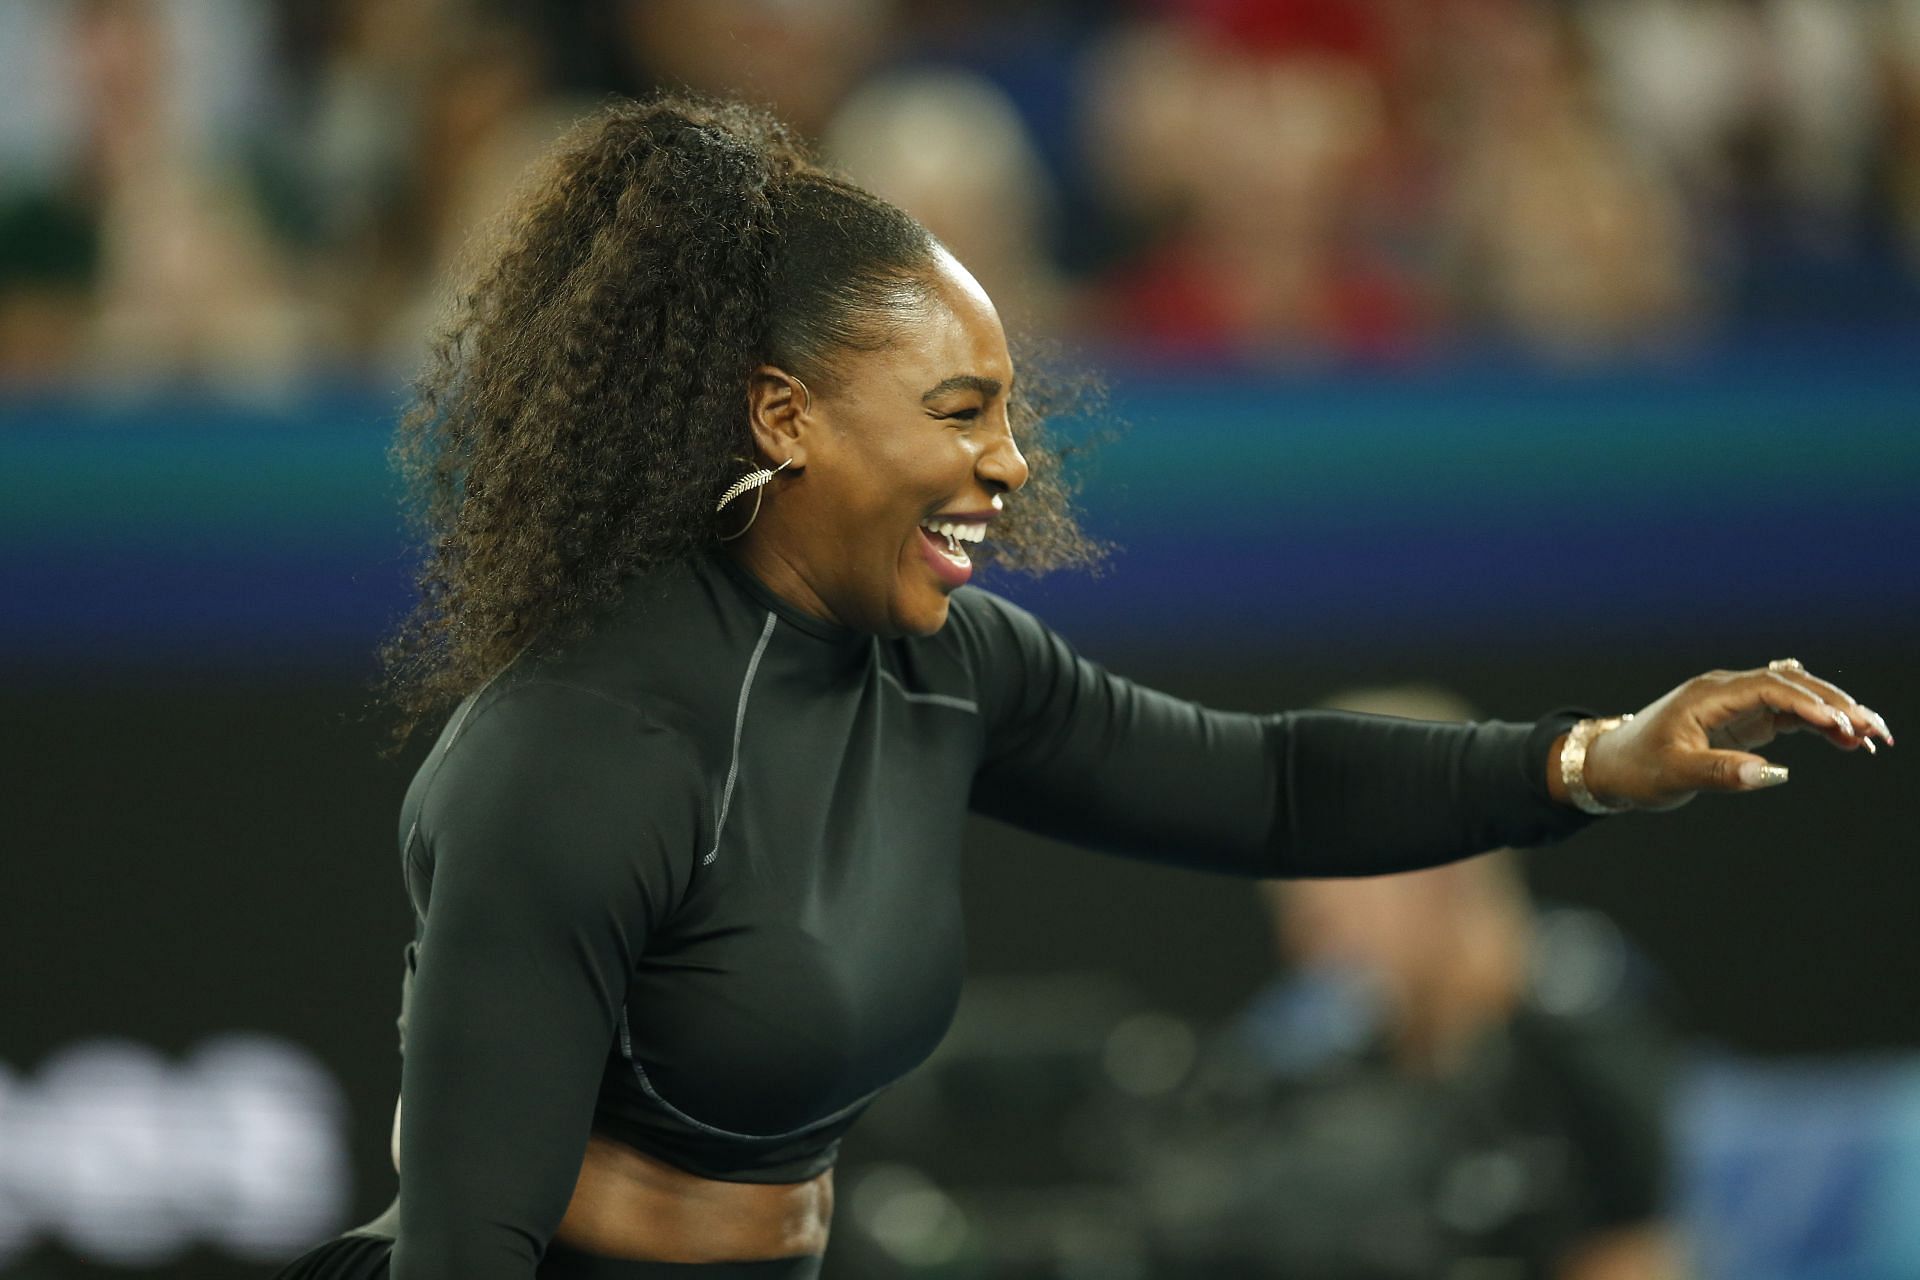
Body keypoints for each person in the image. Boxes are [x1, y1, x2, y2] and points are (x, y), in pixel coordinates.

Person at [271, 94, 1892, 1280]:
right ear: (781, 418)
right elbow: (469, 1245)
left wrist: (1600, 758)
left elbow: (1266, 787)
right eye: (961, 410)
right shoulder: (575, 752)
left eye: (1010, 408)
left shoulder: (949, 668)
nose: (1010, 459)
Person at [1128, 686, 1683, 1279]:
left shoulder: (1581, 1043)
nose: (1304, 942)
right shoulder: (1322, 1052)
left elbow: (1632, 1258)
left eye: (1329, 894)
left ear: (1439, 856)